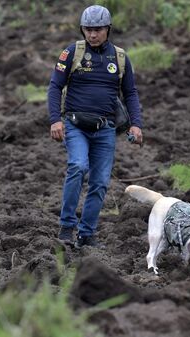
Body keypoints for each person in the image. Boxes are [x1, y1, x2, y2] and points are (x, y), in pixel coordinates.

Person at [47, 5, 143, 248]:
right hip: (75, 125)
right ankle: (67, 228)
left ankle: (86, 234)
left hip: (105, 129)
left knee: (100, 182)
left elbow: (130, 92)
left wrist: (136, 125)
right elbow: (54, 87)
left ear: (108, 29)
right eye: (88, 30)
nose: (92, 35)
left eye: (97, 30)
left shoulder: (120, 58)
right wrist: (55, 119)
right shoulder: (71, 53)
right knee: (78, 166)